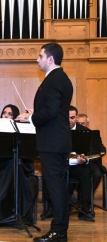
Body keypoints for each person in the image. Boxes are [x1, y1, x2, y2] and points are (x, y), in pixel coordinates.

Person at [17, 42, 73, 242]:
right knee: (56, 186)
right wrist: (35, 113)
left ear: (50, 59)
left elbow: (51, 112)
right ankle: (59, 230)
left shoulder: (54, 80)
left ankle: (59, 232)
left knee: (55, 187)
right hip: (55, 140)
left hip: (53, 142)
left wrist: (31, 118)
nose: (37, 59)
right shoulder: (59, 78)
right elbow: (54, 110)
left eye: (40, 56)